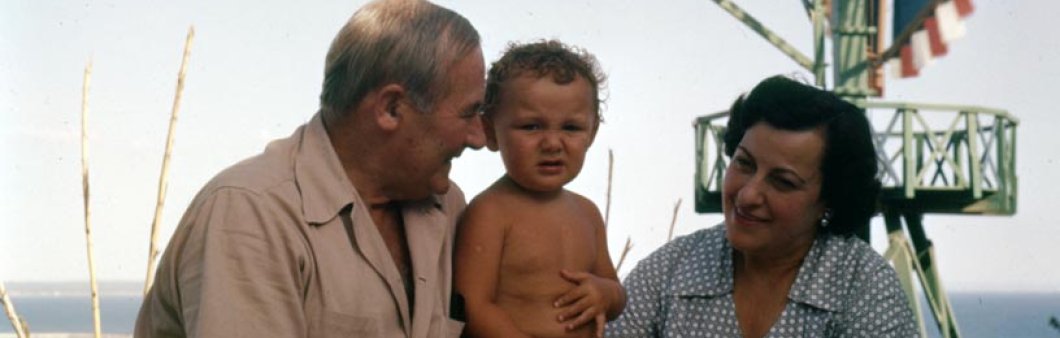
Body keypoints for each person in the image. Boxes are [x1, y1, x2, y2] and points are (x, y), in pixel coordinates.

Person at [134, 0, 486, 337]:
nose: (479, 138)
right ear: (391, 108)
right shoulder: (252, 213)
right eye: (468, 113)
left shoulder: (446, 205)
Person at [606, 75, 918, 337]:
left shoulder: (865, 288)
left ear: (831, 200)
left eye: (782, 182)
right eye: (744, 164)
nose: (748, 195)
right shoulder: (672, 269)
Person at [454, 40, 626, 338]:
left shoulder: (587, 213)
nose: (552, 143)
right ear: (490, 131)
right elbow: (473, 306)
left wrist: (606, 295)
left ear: (592, 133)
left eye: (570, 128)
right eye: (531, 127)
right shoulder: (490, 212)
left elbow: (615, 290)